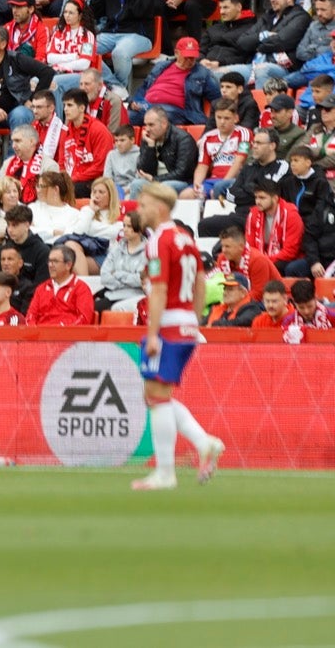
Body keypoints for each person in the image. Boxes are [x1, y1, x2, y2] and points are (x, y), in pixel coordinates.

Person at [132, 182, 226, 491]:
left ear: (159, 208)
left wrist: (153, 332)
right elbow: (200, 282)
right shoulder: (186, 238)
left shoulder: (159, 241)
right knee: (159, 395)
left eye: (143, 205)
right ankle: (203, 442)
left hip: (169, 325)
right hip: (186, 324)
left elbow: (158, 289)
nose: (139, 210)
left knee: (155, 396)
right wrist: (194, 322)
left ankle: (165, 473)